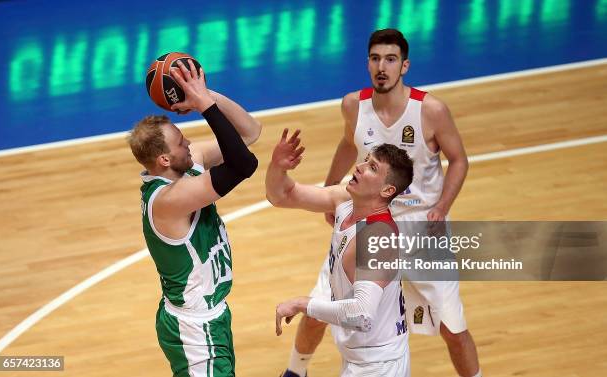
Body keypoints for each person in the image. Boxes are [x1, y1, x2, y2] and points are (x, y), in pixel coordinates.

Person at [282, 29, 481, 377]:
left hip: (421, 226)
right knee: (318, 310)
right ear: (367, 63)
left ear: (404, 65)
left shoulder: (431, 110)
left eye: (390, 59)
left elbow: (459, 160)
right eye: (375, 59)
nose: (381, 67)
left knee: (451, 326)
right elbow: (348, 144)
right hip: (368, 220)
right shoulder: (352, 105)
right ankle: (295, 372)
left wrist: (442, 206)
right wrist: (331, 190)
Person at [127, 60, 261, 377]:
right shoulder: (168, 201)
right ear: (164, 159)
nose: (189, 143)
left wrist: (201, 93)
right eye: (180, 142)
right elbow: (243, 164)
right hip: (194, 328)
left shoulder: (187, 162)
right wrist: (206, 107)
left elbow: (249, 132)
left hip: (213, 317)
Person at [267, 128, 414, 377]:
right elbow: (281, 195)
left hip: (378, 366)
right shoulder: (346, 201)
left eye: (373, 168)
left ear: (388, 190)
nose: (359, 167)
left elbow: (361, 315)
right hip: (359, 357)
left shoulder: (377, 238)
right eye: (366, 160)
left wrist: (303, 304)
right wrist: (277, 166)